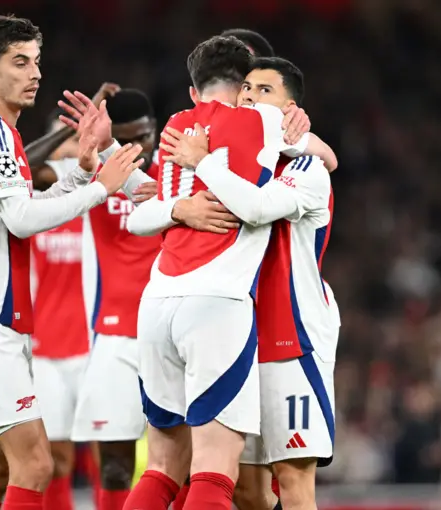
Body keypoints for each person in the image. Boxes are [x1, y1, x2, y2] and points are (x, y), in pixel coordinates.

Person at [0, 15, 145, 510]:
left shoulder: (1, 134)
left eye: (36, 61)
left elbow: (31, 198)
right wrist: (100, 189)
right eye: (19, 62)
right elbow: (23, 219)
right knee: (35, 463)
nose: (34, 73)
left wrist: (86, 172)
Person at [130, 56, 340, 510]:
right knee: (243, 487)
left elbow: (257, 206)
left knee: (293, 481)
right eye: (246, 88)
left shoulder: (307, 172)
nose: (249, 97)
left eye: (264, 90)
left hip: (291, 341)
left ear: (291, 108)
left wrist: (204, 163)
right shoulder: (240, 158)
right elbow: (144, 207)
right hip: (237, 336)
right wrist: (179, 203)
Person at [27, 87, 163, 510]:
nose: (136, 147)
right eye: (124, 138)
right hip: (107, 334)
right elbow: (24, 169)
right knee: (107, 464)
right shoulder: (94, 172)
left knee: (184, 459)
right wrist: (75, 133)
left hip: (166, 328)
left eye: (143, 136)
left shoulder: (176, 170)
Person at [28, 112, 91, 510]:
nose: (70, 151)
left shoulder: (99, 202)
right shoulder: (34, 206)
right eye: (62, 143)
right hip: (45, 349)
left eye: (77, 142)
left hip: (94, 345)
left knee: (110, 455)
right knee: (56, 458)